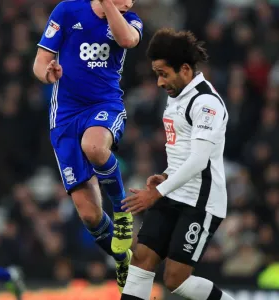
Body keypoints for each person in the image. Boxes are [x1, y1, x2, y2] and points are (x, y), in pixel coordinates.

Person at [33, 0, 143, 292]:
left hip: (103, 104)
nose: (130, 1)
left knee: (94, 146)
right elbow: (40, 61)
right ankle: (121, 258)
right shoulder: (67, 10)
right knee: (89, 215)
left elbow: (128, 40)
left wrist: (109, 6)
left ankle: (122, 212)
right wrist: (48, 73)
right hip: (66, 115)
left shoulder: (130, 20)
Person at [121, 29, 235, 300]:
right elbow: (183, 153)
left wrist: (155, 194)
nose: (160, 82)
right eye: (157, 74)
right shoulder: (176, 97)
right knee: (141, 259)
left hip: (201, 203)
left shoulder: (206, 103)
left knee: (175, 279)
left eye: (163, 73)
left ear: (185, 69)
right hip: (173, 191)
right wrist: (165, 176)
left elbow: (198, 161)